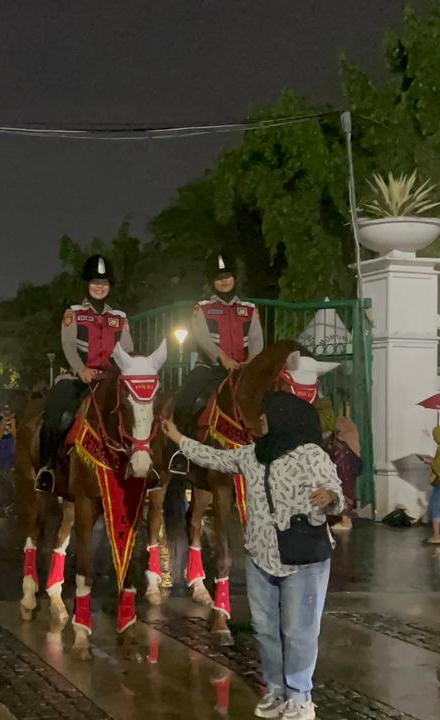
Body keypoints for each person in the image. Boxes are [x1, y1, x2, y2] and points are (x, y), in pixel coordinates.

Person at [163, 393, 340, 720]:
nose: (259, 422)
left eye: (265, 416)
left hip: (303, 557)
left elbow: (335, 492)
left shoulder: (311, 455)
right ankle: (275, 690)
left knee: (298, 630)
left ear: (284, 417)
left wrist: (329, 497)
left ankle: (300, 696)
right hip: (261, 554)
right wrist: (177, 437)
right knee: (266, 629)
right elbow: (215, 458)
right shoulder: (252, 455)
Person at [36, 254, 133, 490]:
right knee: (58, 415)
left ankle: (141, 466)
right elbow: (68, 345)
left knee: (139, 411)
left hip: (110, 380)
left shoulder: (120, 318)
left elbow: (128, 349)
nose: (99, 287)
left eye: (104, 283)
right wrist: (81, 369)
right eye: (95, 283)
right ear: (87, 285)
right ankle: (46, 466)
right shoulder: (74, 313)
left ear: (110, 286)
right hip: (77, 378)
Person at [172, 252, 264, 435]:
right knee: (186, 400)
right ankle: (180, 449)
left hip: (243, 369)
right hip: (210, 368)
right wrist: (223, 358)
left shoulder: (249, 309)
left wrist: (251, 362)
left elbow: (256, 340)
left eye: (227, 275)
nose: (224, 280)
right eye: (218, 277)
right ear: (212, 280)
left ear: (234, 277)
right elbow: (203, 338)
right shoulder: (203, 308)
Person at [325, 417, 362, 531]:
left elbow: (338, 460)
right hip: (349, 473)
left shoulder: (342, 443)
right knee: (347, 494)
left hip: (342, 473)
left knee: (343, 494)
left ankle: (346, 521)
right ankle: (346, 520)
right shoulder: (352, 440)